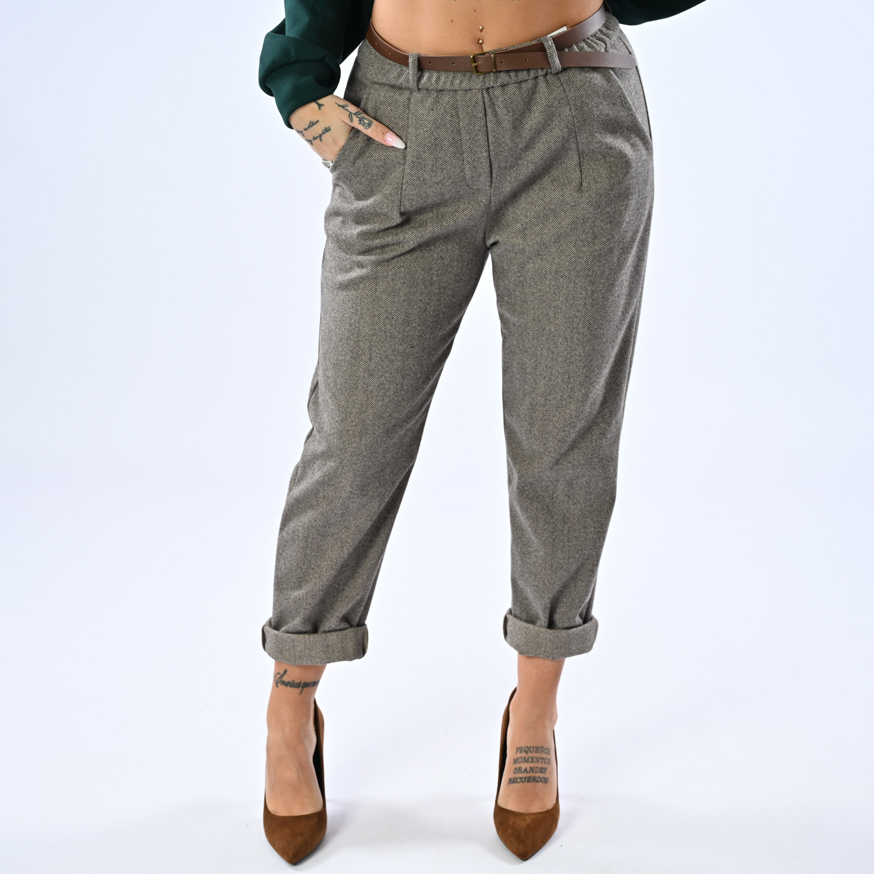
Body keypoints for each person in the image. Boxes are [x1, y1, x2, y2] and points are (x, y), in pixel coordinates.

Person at [257, 0, 706, 863]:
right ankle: (291, 696)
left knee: (564, 435)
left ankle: (535, 707)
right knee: (353, 439)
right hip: (401, 118)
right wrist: (304, 92)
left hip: (575, 110)